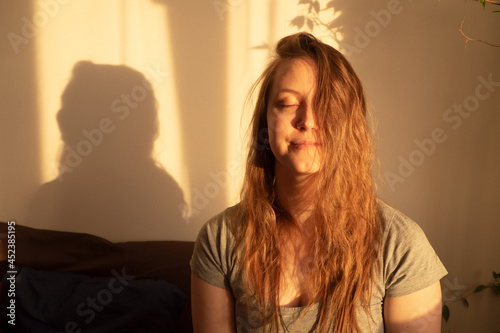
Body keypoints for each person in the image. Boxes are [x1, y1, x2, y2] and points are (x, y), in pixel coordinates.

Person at [190, 32, 447, 332]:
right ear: (266, 123)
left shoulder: (401, 246)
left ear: (348, 123)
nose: (308, 120)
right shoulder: (220, 240)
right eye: (287, 103)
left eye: (325, 103)